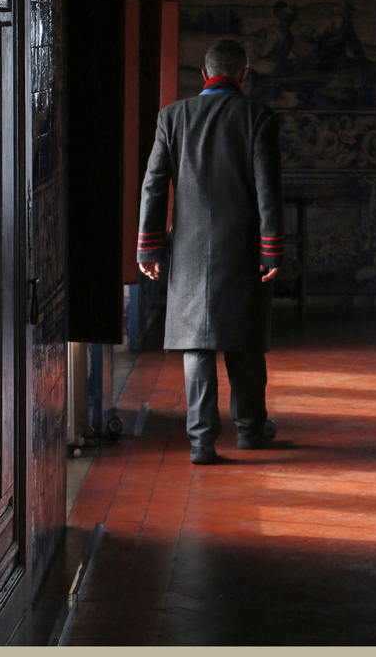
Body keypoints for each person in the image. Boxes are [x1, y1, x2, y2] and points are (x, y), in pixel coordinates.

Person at [137, 38, 285, 465]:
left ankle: (202, 444)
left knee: (196, 345)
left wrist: (149, 248)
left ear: (203, 75)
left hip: (186, 250)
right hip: (242, 249)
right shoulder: (259, 118)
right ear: (243, 74)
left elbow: (153, 185)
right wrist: (271, 250)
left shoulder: (172, 117)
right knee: (245, 341)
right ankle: (251, 431)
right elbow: (267, 191)